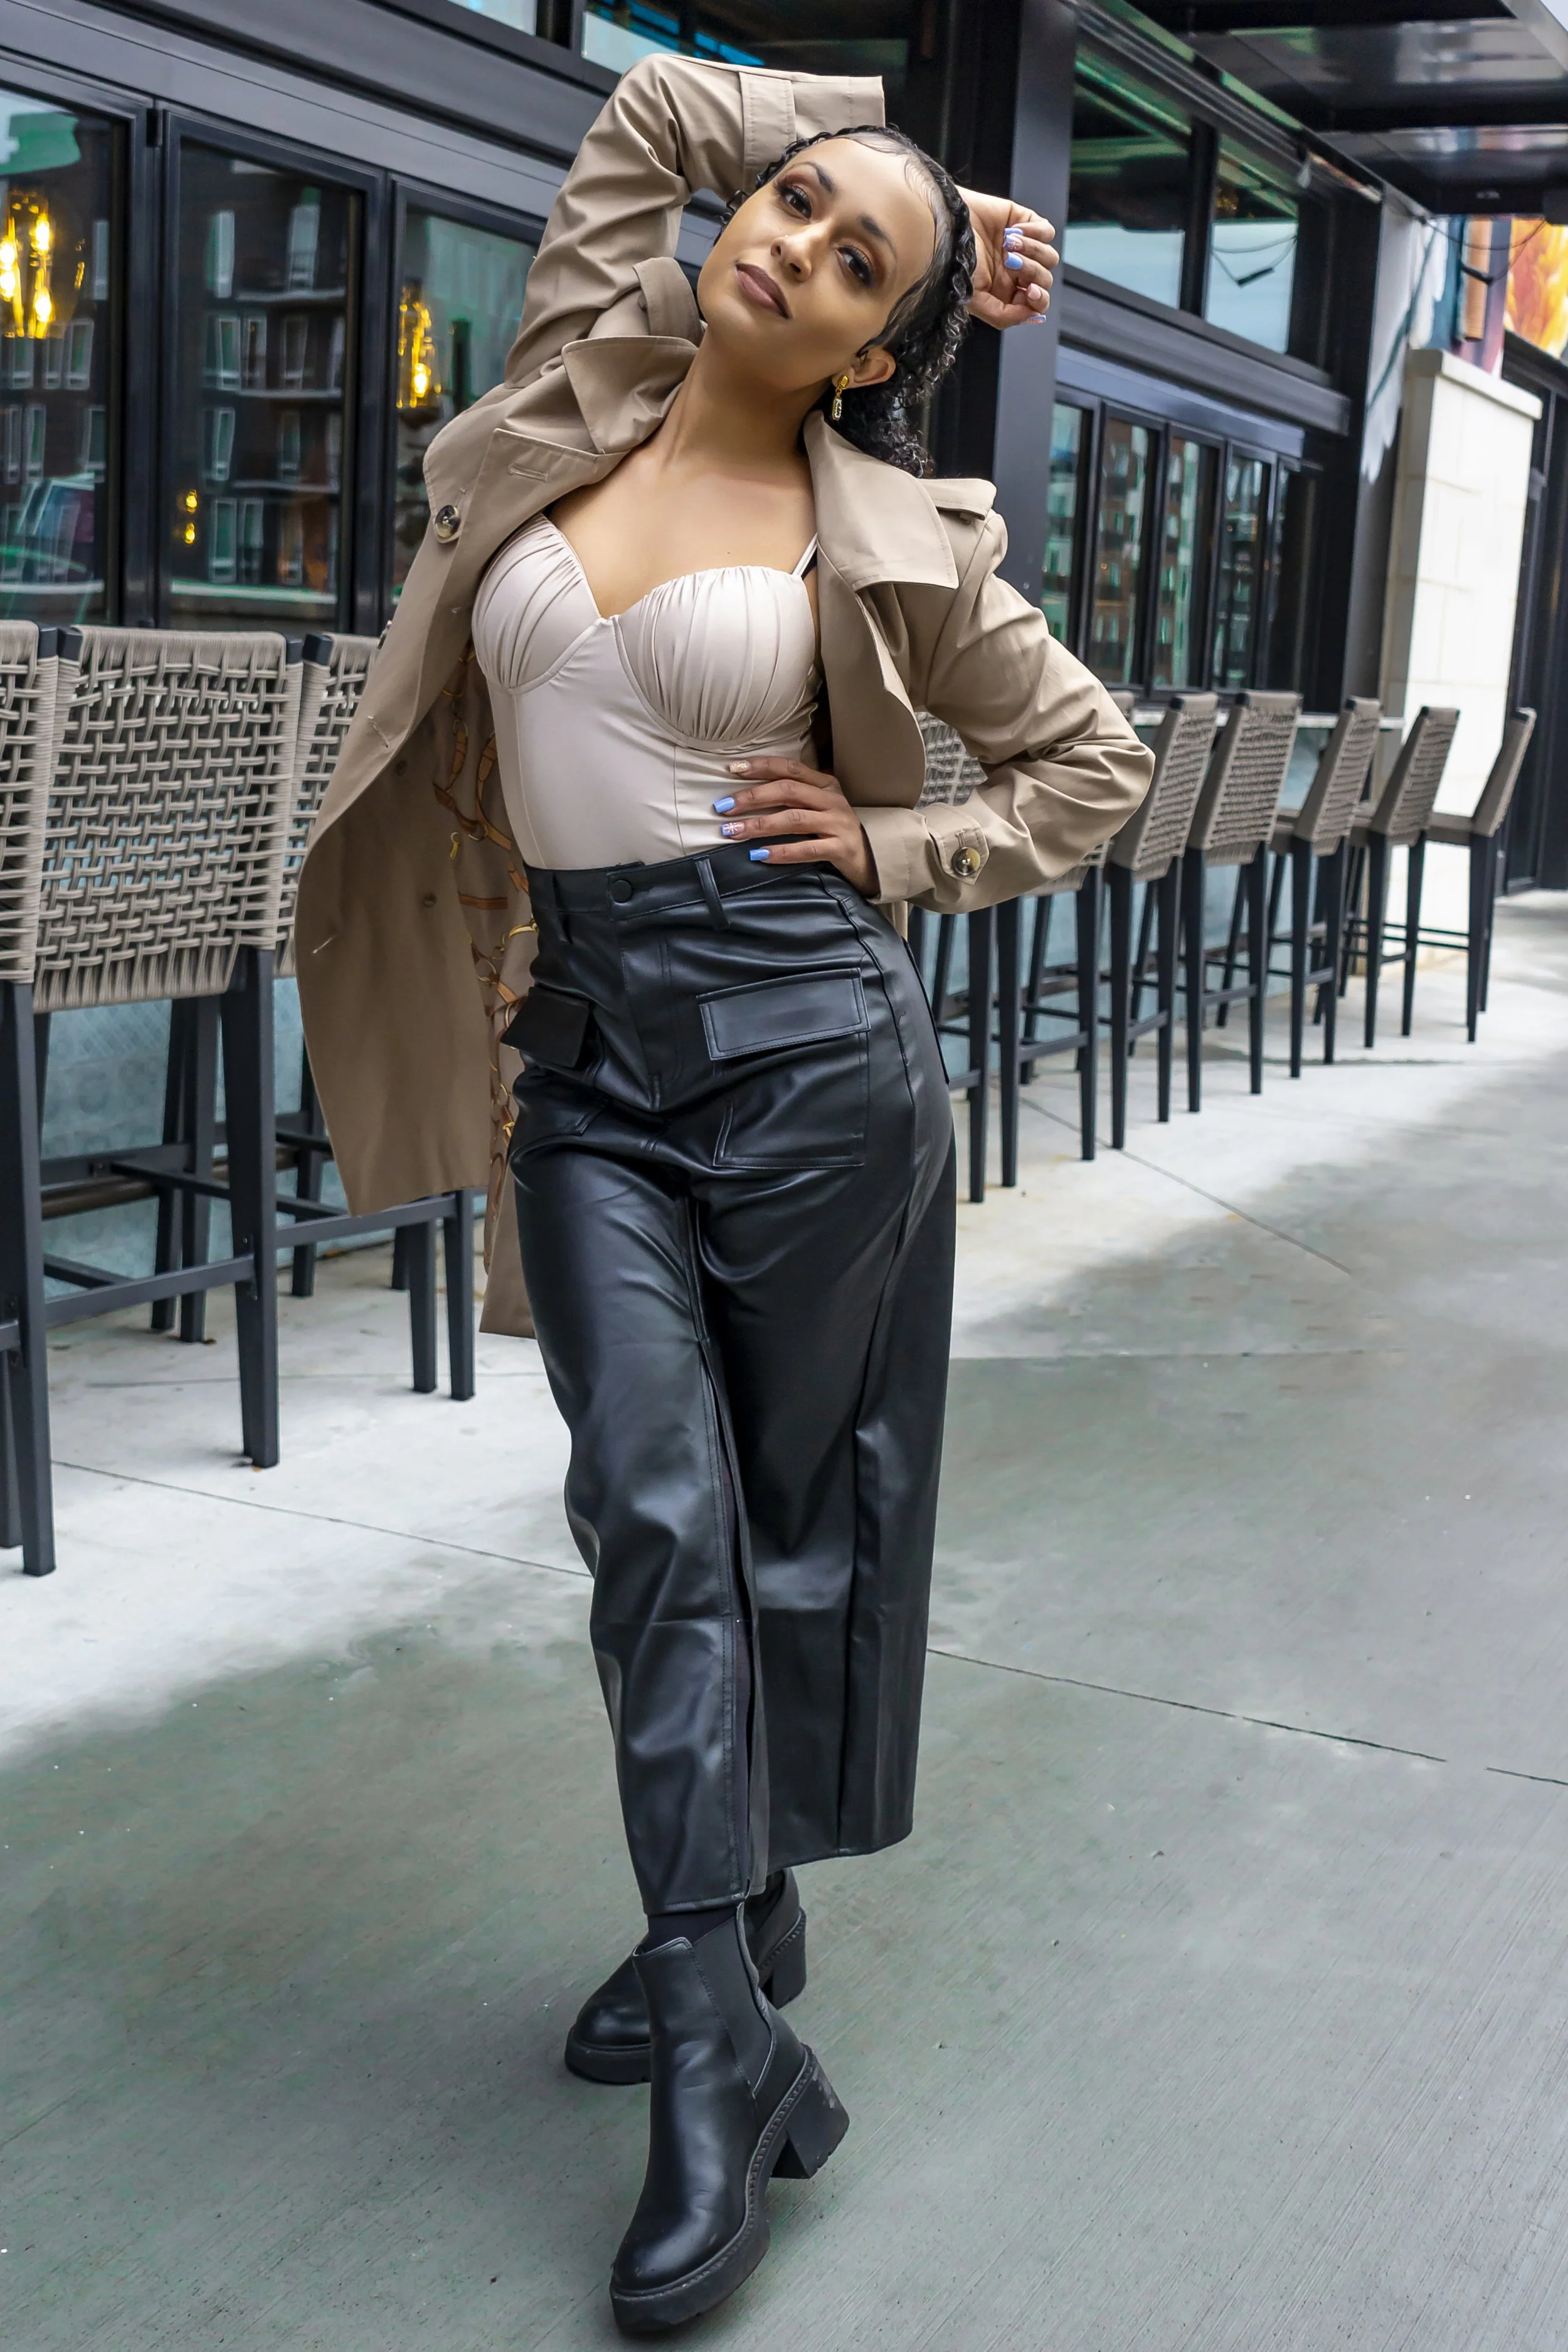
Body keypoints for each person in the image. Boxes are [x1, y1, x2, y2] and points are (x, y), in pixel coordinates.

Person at [296, 51, 1152, 2336]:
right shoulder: (585, 367)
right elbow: (654, 113)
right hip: (580, 1056)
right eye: (786, 206)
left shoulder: (889, 530)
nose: (781, 240)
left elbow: (1094, 762)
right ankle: (726, 2038)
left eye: (846, 259)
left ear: (874, 353)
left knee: (776, 1517)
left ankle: (722, 1976)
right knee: (650, 1514)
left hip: (803, 1057)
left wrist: (893, 846)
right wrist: (919, 165)